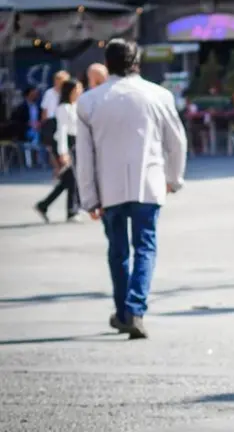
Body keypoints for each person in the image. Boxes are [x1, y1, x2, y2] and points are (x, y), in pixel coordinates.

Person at [75, 39, 188, 340]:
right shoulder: (158, 95)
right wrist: (173, 178)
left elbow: (84, 156)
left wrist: (88, 198)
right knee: (145, 247)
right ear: (137, 62)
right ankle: (135, 309)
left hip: (107, 188)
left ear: (107, 63)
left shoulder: (89, 102)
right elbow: (176, 142)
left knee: (118, 251)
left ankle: (124, 312)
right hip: (149, 184)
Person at [34, 79, 83, 223]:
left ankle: (43, 205)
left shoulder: (76, 106)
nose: (80, 91)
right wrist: (63, 152)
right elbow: (62, 130)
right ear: (71, 91)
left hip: (76, 143)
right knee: (72, 179)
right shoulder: (64, 107)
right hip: (66, 144)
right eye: (77, 89)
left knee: (67, 181)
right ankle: (71, 211)